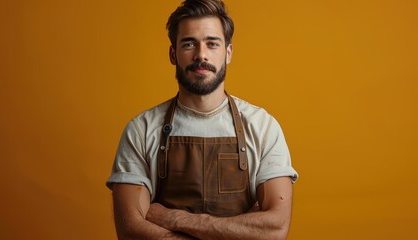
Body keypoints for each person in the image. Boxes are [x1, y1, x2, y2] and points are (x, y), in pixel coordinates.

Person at [106, 0, 298, 239]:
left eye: (212, 43)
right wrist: (241, 230)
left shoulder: (263, 127)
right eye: (189, 44)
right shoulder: (141, 130)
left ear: (228, 53)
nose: (201, 55)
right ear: (173, 54)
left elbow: (275, 228)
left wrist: (175, 219)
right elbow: (131, 230)